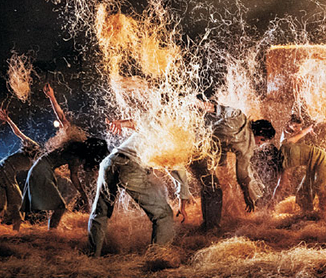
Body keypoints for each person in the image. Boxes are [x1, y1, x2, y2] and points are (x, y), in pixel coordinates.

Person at [87, 119, 190, 256]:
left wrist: (120, 123)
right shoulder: (172, 141)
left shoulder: (154, 125)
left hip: (109, 163)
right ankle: (158, 257)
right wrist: (182, 205)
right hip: (130, 167)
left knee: (100, 213)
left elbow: (136, 122)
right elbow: (180, 174)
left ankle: (92, 256)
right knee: (163, 215)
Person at [23, 83, 107, 229]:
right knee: (60, 206)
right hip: (42, 169)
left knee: (58, 206)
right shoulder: (74, 141)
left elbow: (74, 176)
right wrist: (52, 97)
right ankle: (52, 235)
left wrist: (84, 195)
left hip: (44, 169)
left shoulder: (76, 156)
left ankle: (51, 232)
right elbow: (61, 116)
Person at [190, 94, 257, 229]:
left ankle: (207, 225)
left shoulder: (238, 116)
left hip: (191, 144)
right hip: (199, 151)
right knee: (213, 190)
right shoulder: (247, 145)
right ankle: (211, 228)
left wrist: (193, 102)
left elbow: (213, 109)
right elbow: (242, 175)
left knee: (209, 188)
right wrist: (247, 195)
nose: (258, 144)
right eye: (261, 140)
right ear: (260, 134)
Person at [251, 118, 326, 213]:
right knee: (302, 195)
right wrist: (308, 129)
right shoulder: (284, 144)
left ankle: (324, 217)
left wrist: (271, 205)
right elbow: (299, 135)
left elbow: (282, 185)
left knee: (321, 189)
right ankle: (311, 218)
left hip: (322, 160)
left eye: (263, 140)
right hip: (315, 162)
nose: (260, 143)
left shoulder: (285, 161)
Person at [0, 109, 42, 229]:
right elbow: (19, 133)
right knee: (18, 205)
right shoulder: (35, 148)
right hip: (4, 170)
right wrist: (8, 120)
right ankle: (15, 234)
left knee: (0, 206)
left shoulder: (40, 163)